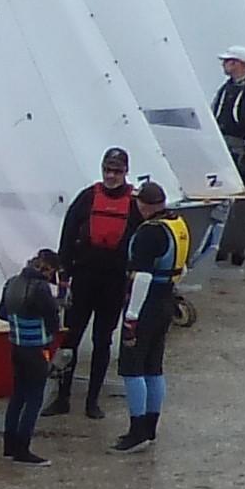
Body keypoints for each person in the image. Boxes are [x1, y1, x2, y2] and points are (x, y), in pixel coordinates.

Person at [52, 151, 148, 411]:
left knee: (102, 341)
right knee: (70, 339)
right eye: (107, 170)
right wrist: (64, 273)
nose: (110, 176)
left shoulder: (135, 203)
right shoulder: (87, 197)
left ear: (126, 171)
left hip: (114, 282)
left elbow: (144, 241)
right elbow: (68, 234)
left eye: (116, 171)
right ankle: (62, 397)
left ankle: (92, 401)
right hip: (83, 277)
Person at [111, 198, 183, 450]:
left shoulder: (149, 232)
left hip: (146, 305)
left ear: (145, 206)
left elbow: (141, 277)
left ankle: (137, 431)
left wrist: (131, 317)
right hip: (165, 300)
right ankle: (151, 428)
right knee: (154, 367)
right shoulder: (177, 224)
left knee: (132, 369)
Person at [0, 249, 60, 464]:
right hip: (36, 348)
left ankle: (9, 446)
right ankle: (23, 450)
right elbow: (53, 321)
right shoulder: (40, 288)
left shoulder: (12, 282)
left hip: (16, 346)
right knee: (34, 399)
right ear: (48, 269)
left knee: (18, 396)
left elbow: (2, 313)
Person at [209, 54, 245, 266]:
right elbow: (214, 113)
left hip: (242, 150)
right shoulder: (225, 89)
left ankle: (241, 248)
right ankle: (220, 246)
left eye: (228, 61)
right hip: (223, 149)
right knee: (222, 199)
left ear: (239, 63)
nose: (224, 65)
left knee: (244, 202)